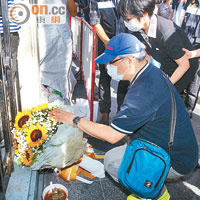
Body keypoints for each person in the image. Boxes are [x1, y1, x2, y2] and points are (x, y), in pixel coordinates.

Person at [49, 33, 199, 200]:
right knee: (116, 155)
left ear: (128, 61)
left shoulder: (142, 93)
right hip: (178, 148)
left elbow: (112, 135)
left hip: (175, 160)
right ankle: (150, 186)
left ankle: (153, 193)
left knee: (112, 163)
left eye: (111, 62)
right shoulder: (150, 71)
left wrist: (74, 119)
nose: (107, 67)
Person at [118, 0, 199, 118]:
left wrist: (166, 86)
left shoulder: (167, 33)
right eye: (124, 19)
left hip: (184, 68)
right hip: (166, 62)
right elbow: (147, 56)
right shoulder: (138, 29)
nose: (126, 23)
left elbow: (184, 65)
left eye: (128, 19)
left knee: (164, 98)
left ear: (144, 14)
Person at [89, 0, 127, 124]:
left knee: (124, 80)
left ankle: (121, 113)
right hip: (106, 46)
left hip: (125, 46)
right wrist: (110, 45)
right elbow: (95, 22)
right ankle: (104, 113)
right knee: (105, 79)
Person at [40, 0, 77, 104]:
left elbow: (74, 12)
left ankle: (56, 103)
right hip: (53, 38)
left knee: (57, 73)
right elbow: (74, 12)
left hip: (56, 39)